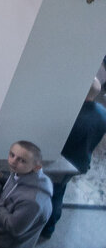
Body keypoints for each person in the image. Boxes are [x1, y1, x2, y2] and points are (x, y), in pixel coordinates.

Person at [43, 79, 106, 238]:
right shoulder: (102, 111)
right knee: (59, 190)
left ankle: (49, 227)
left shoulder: (73, 117)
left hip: (65, 162)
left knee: (54, 193)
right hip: (82, 161)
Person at [0, 141, 53, 248]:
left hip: (4, 244)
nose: (13, 161)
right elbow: (16, 184)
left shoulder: (32, 201)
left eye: (22, 160)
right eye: (12, 155)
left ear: (37, 167)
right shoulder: (23, 171)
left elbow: (13, 228)